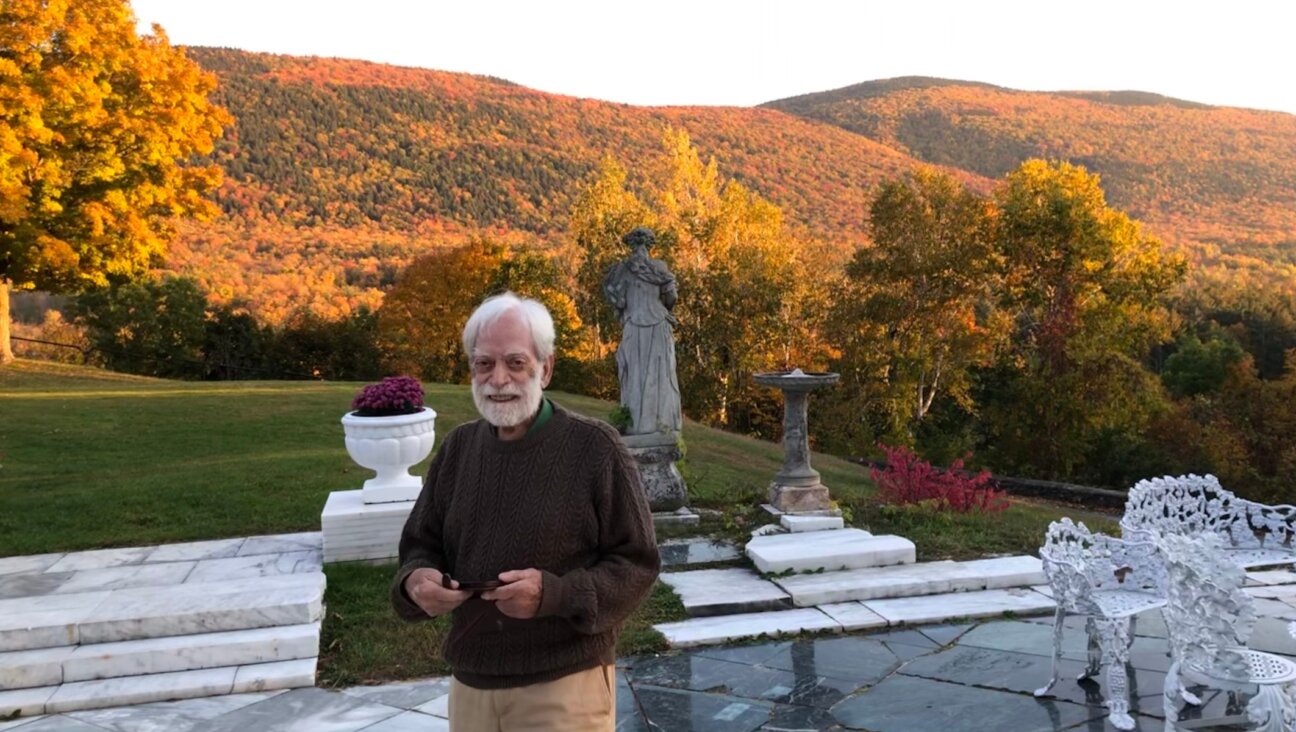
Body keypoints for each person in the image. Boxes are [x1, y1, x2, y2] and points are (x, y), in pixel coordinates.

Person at [391, 291, 660, 731]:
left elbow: (637, 564)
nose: (498, 379)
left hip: (564, 689)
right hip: (471, 689)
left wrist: (553, 594)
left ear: (546, 368)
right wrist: (416, 582)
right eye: (484, 363)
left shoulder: (595, 448)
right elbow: (421, 545)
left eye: (515, 362)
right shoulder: (459, 448)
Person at [602, 227, 682, 436]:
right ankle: (661, 425)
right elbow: (671, 299)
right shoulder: (660, 268)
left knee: (634, 376)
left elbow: (617, 302)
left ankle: (635, 425)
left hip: (634, 325)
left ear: (630, 244)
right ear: (650, 245)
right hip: (657, 325)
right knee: (660, 377)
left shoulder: (621, 270)